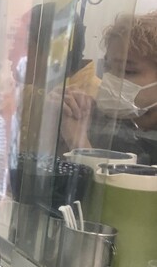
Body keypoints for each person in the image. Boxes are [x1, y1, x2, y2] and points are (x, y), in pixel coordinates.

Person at [61, 12, 157, 164]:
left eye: (128, 71)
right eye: (108, 67)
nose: (111, 80)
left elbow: (115, 186)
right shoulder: (105, 121)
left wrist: (78, 142)